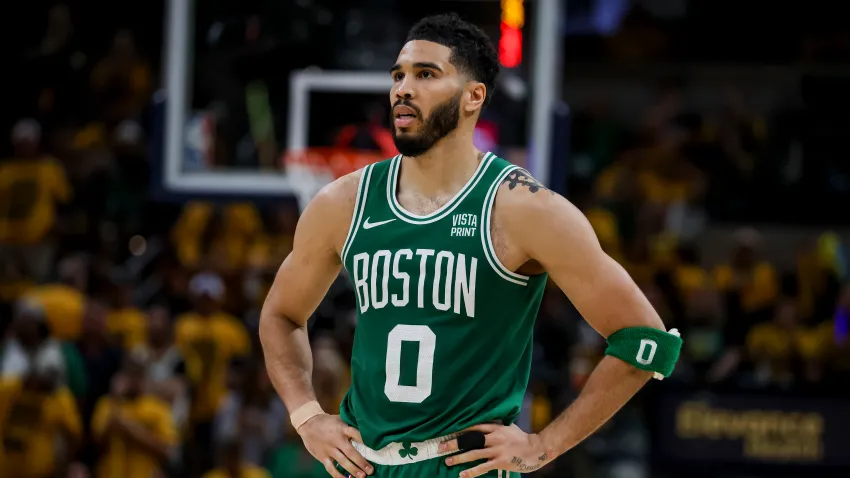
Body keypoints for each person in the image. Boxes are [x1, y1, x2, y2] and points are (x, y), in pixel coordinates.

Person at [259, 13, 680, 478]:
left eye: (426, 75)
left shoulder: (524, 208)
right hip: (361, 464)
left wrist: (545, 446)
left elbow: (646, 341)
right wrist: (306, 416)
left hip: (465, 466)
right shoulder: (343, 202)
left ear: (473, 97)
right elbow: (280, 315)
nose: (403, 88)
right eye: (398, 75)